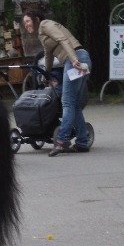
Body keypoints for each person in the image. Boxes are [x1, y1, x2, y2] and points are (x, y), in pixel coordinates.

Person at [23, 10, 92, 156]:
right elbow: (48, 55)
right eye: (24, 23)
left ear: (36, 19)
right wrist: (46, 74)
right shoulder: (42, 34)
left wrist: (74, 59)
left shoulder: (45, 24)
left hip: (75, 59)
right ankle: (82, 143)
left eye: (27, 21)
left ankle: (61, 142)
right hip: (78, 59)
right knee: (73, 104)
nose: (26, 25)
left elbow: (63, 39)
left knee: (67, 102)